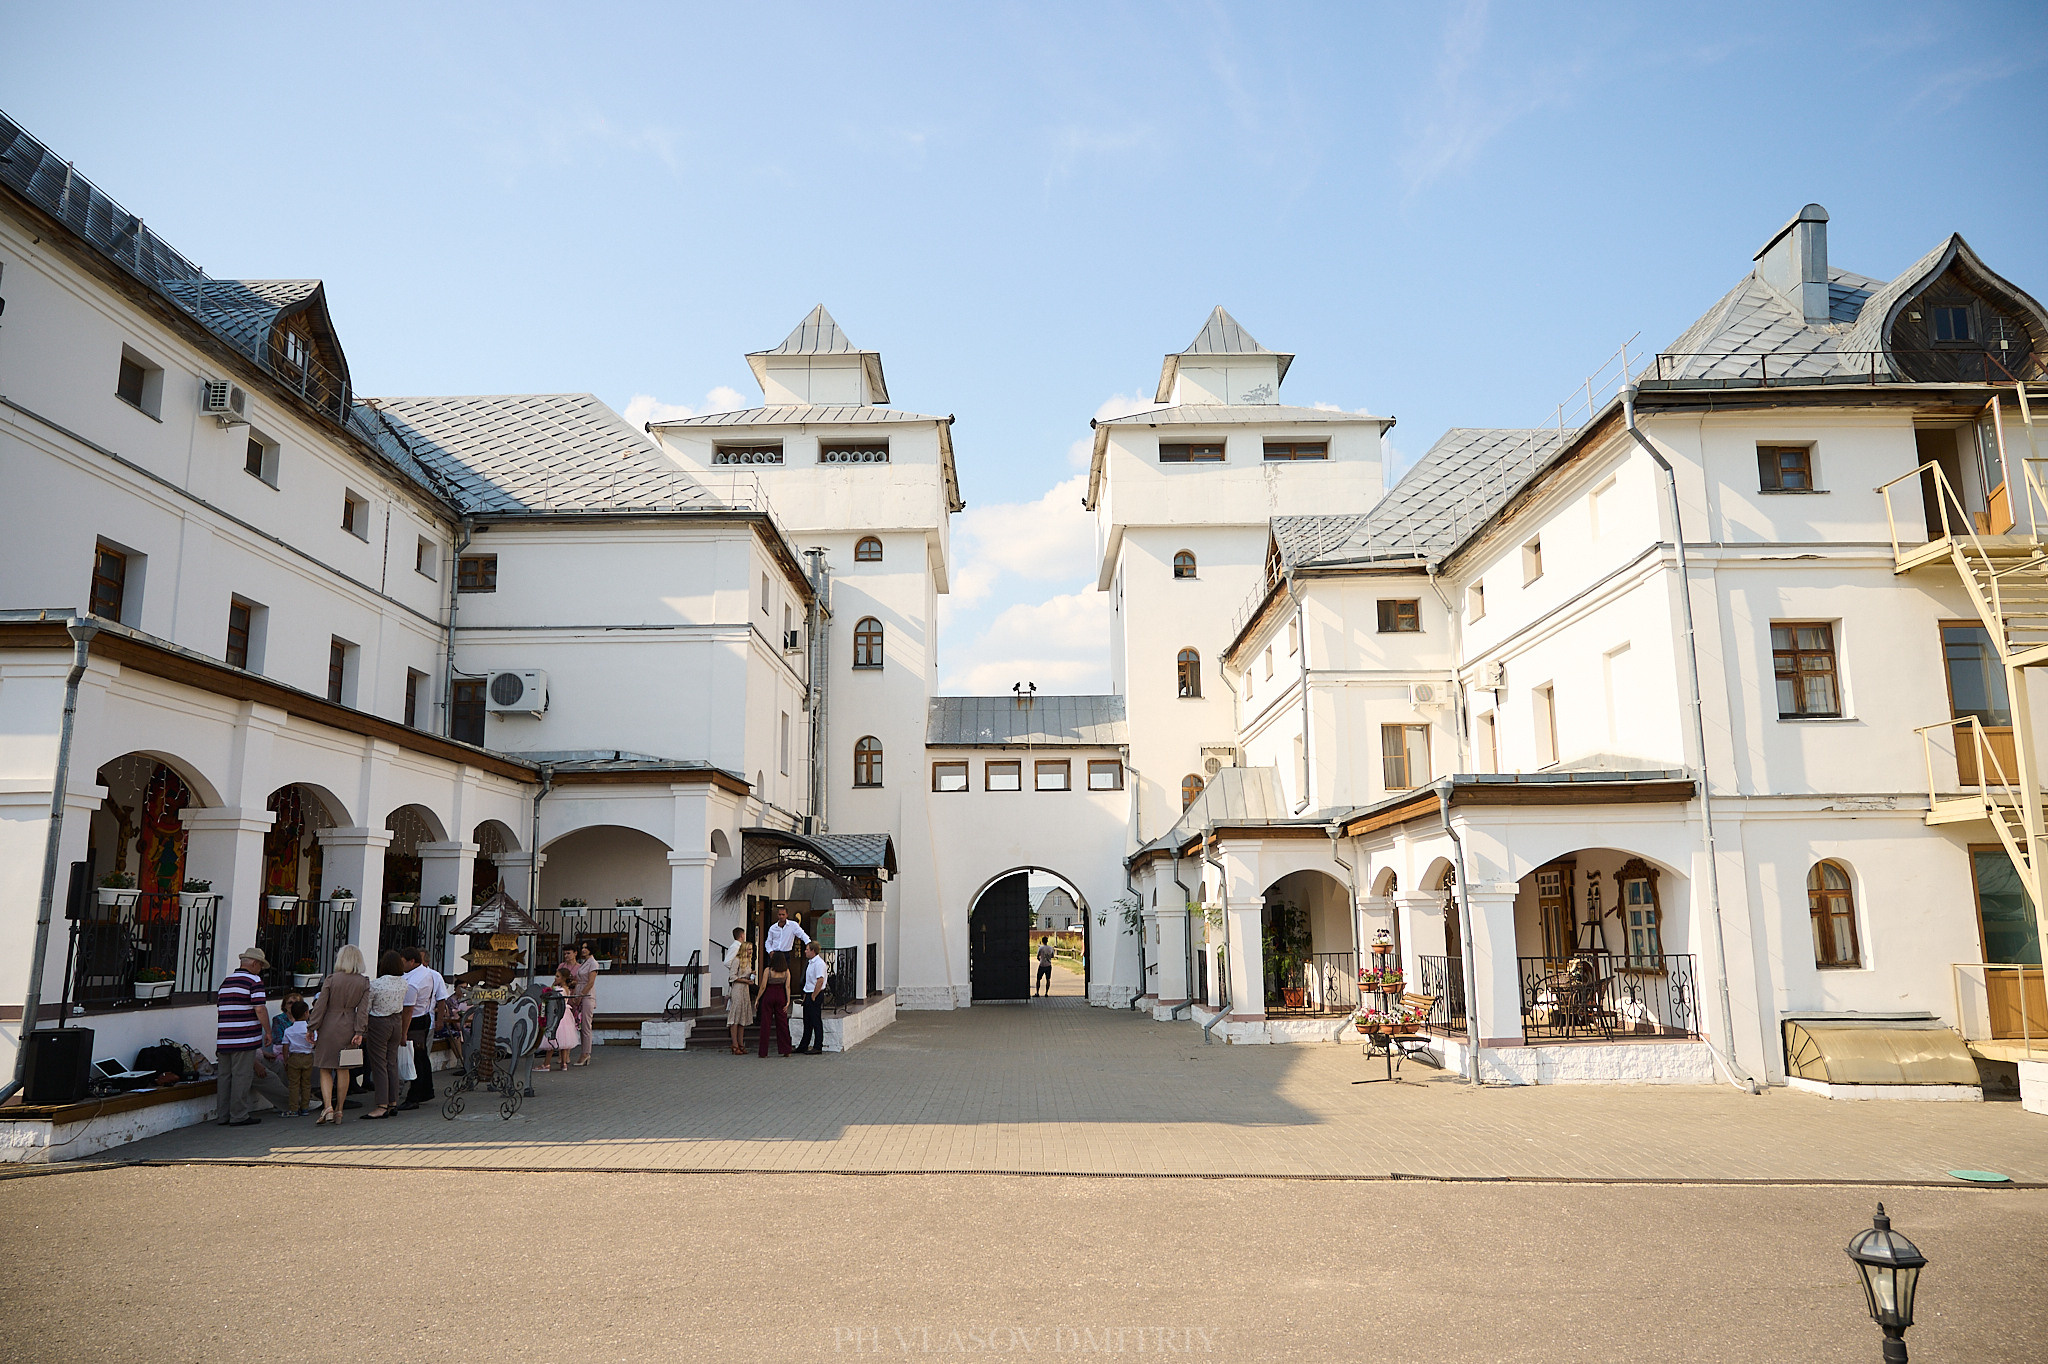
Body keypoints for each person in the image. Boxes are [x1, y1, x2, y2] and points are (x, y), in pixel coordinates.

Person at [307, 944, 370, 1125]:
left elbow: (320, 1006)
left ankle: (328, 1106)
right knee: (344, 1068)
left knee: (325, 1067)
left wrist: (311, 1027)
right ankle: (340, 1110)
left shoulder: (331, 979)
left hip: (329, 1025)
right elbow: (363, 1010)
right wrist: (359, 1031)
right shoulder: (363, 982)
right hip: (349, 1025)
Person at [214, 947, 273, 1126]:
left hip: (224, 1038)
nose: (261, 969)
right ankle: (239, 1115)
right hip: (243, 1038)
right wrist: (268, 1031)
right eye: (260, 966)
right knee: (241, 1076)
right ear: (254, 963)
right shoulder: (254, 981)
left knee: (224, 1077)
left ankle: (223, 1116)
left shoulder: (226, 981)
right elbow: (260, 1009)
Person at [361, 950, 412, 1119]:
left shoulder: (376, 984)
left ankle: (381, 1104)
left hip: (379, 1022)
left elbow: (367, 1007)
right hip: (396, 1022)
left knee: (378, 1063)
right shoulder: (404, 983)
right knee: (392, 1061)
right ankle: (393, 1101)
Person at [398, 946, 449, 1109]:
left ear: (412, 962)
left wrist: (403, 1032)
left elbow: (409, 1009)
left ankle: (416, 1094)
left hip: (417, 1020)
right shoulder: (421, 975)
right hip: (422, 1018)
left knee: (417, 1058)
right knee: (421, 1057)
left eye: (403, 962)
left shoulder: (417, 980)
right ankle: (425, 1090)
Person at [280, 998, 315, 1116]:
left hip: (294, 1057)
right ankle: (305, 1107)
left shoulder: (288, 1030)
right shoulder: (310, 1030)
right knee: (306, 1083)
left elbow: (285, 1046)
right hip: (308, 1057)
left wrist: (286, 1060)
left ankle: (293, 1108)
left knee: (294, 1084)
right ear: (306, 1013)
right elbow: (315, 1042)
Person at [541, 965, 580, 1071]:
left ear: (563, 978)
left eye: (557, 976)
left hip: (558, 1015)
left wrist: (552, 987)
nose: (555, 978)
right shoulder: (566, 989)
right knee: (564, 1041)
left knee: (552, 1039)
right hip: (566, 1015)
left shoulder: (558, 989)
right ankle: (563, 1064)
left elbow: (551, 998)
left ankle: (546, 1064)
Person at [725, 927, 755, 1055]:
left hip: (745, 989)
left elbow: (746, 974)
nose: (750, 952)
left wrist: (751, 975)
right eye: (748, 949)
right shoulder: (736, 960)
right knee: (736, 1015)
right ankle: (735, 1044)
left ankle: (741, 1043)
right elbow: (733, 977)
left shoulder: (747, 962)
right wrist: (745, 980)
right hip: (738, 988)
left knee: (743, 1015)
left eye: (751, 950)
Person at [757, 950, 793, 1058]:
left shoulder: (768, 970)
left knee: (766, 1023)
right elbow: (787, 987)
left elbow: (763, 986)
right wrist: (788, 1000)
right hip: (781, 995)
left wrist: (758, 999)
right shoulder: (786, 971)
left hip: (769, 995)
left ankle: (763, 1052)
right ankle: (786, 1050)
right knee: (782, 1023)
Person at [570, 942, 599, 1067]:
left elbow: (590, 982)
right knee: (578, 1023)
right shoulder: (584, 963)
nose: (583, 950)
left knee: (586, 1025)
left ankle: (586, 1053)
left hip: (587, 995)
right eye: (582, 947)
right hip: (580, 993)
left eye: (586, 948)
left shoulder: (593, 963)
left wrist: (581, 995)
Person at [796, 940, 827, 1055]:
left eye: (807, 949)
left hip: (815, 994)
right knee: (807, 1021)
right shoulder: (810, 962)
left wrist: (814, 995)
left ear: (813, 951)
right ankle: (804, 1045)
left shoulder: (819, 963)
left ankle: (818, 1046)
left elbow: (820, 980)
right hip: (808, 993)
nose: (805, 951)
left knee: (815, 1021)